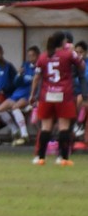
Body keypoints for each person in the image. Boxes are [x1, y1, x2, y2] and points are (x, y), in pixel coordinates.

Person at [30, 30, 82, 166]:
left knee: (46, 127)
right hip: (64, 95)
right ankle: (63, 158)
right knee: (64, 127)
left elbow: (36, 77)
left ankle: (40, 158)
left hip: (47, 95)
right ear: (63, 42)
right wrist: (73, 52)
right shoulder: (68, 54)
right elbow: (81, 66)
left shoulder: (43, 56)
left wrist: (32, 95)